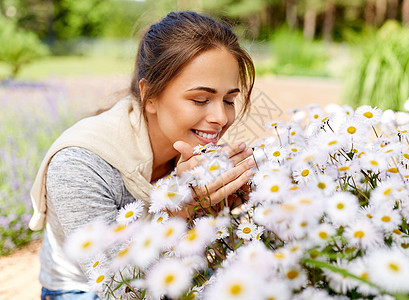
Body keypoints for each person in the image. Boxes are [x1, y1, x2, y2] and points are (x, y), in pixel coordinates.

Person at [29, 11, 255, 300]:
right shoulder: (79, 165)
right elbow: (120, 288)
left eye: (229, 100)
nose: (221, 117)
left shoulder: (194, 151)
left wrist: (220, 208)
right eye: (201, 99)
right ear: (150, 96)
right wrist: (182, 209)